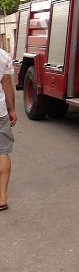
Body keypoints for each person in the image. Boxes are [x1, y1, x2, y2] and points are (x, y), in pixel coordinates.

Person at [0, 47, 17, 212]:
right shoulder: (3, 55)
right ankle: (2, 198)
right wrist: (12, 110)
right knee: (2, 152)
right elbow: (6, 86)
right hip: (0, 112)